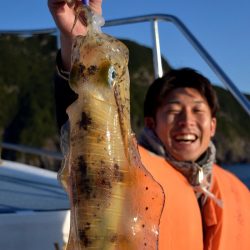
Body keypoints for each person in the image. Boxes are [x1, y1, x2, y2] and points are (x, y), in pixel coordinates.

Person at [48, 0, 250, 249]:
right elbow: (85, 131)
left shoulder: (238, 191)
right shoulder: (124, 165)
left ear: (213, 126)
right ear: (151, 123)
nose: (187, 121)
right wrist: (80, 46)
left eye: (198, 111)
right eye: (174, 111)